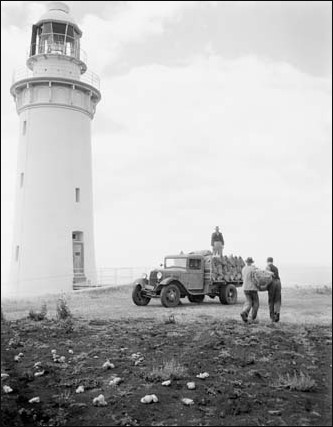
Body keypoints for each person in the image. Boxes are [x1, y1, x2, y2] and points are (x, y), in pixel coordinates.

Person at [240, 257, 259, 323]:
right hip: (253, 288)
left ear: (246, 262)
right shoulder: (254, 268)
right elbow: (256, 277)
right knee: (256, 303)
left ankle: (244, 312)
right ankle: (253, 317)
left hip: (245, 288)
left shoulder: (243, 269)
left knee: (248, 302)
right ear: (251, 262)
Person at [266, 257, 282, 322]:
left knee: (271, 300)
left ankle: (272, 317)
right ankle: (277, 314)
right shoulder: (276, 268)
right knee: (277, 300)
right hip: (278, 283)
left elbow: (267, 276)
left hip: (272, 283)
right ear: (272, 261)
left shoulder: (268, 267)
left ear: (267, 261)